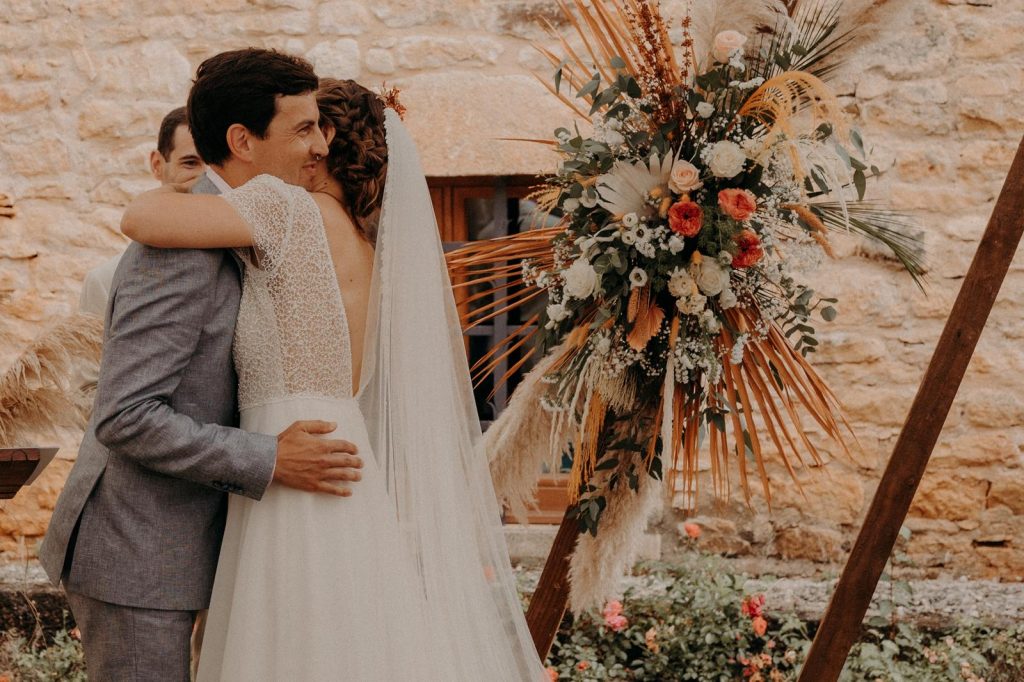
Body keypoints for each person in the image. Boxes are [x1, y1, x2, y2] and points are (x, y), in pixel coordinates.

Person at [120, 77, 547, 680]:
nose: (302, 146)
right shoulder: (369, 248)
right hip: (346, 461)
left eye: (306, 129)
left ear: (325, 143)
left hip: (292, 458)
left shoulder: (289, 209)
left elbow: (140, 215)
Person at [38, 50, 365, 682]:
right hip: (141, 551)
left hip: (214, 541)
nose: (319, 146)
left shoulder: (246, 225)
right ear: (243, 141)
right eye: (301, 129)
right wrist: (268, 458)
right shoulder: (177, 248)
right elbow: (127, 415)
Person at [79, 106, 205, 317]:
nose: (206, 179)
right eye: (190, 163)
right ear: (157, 164)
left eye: (217, 166)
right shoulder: (105, 281)